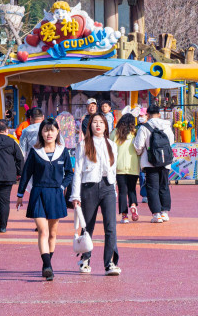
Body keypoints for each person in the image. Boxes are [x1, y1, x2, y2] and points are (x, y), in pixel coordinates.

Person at [17, 117, 74, 281]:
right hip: (38, 193)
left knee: (53, 233)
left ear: (57, 132)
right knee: (43, 230)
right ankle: (47, 265)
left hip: (56, 194)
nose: (49, 133)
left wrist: (62, 187)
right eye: (46, 130)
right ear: (41, 133)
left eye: (52, 130)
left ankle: (46, 263)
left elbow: (70, 173)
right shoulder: (35, 152)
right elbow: (26, 174)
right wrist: (20, 194)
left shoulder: (63, 151)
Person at [71, 112, 121, 276]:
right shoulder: (83, 145)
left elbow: (114, 170)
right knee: (87, 226)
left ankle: (110, 263)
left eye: (101, 122)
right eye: (95, 122)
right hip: (89, 187)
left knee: (110, 227)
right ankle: (85, 260)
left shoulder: (111, 145)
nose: (98, 125)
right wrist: (75, 195)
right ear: (90, 126)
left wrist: (114, 190)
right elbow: (77, 171)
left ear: (106, 126)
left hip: (108, 187)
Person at [133, 104, 174, 223]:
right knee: (164, 186)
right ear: (159, 114)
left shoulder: (144, 127)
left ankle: (156, 214)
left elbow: (138, 146)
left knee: (152, 188)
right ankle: (165, 212)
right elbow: (171, 142)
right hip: (165, 162)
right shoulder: (167, 126)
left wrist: (142, 153)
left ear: (148, 115)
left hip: (150, 162)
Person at [112, 113, 140, 223]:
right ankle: (133, 204)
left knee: (122, 191)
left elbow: (110, 146)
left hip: (119, 166)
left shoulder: (115, 132)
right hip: (133, 166)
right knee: (132, 189)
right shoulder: (135, 133)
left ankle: (124, 215)